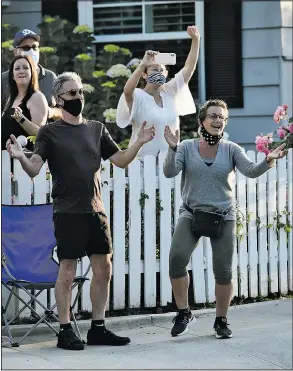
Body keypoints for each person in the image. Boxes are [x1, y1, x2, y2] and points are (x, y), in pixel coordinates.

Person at [6, 71, 155, 351]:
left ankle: (98, 328)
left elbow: (121, 160)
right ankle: (65, 330)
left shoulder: (96, 129)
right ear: (58, 99)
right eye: (72, 93)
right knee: (68, 270)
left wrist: (139, 141)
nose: (79, 97)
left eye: (81, 92)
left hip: (95, 211)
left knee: (104, 268)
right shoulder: (50, 131)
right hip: (68, 212)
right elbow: (35, 167)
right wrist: (19, 158)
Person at [163, 99, 287, 339]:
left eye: (221, 117)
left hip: (223, 215)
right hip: (191, 212)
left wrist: (268, 159)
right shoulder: (187, 147)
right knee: (176, 259)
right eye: (212, 116)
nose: (217, 120)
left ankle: (221, 320)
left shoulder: (232, 149)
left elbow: (251, 171)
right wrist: (172, 148)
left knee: (223, 270)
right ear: (202, 120)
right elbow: (170, 172)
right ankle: (183, 312)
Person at [116, 25, 200, 160]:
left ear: (166, 73)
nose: (159, 73)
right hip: (142, 163)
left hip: (170, 163)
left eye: (161, 70)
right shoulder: (138, 96)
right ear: (144, 75)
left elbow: (189, 68)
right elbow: (127, 91)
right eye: (154, 70)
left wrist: (196, 40)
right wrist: (143, 64)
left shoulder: (169, 92)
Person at [2, 29, 61, 121]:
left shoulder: (51, 77)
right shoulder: (4, 79)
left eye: (34, 47)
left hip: (44, 134)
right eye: (26, 48)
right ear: (15, 52)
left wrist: (50, 111)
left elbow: (64, 111)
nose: (31, 51)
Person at [1, 55, 48, 151]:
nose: (21, 71)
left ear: (32, 72)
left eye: (25, 68)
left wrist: (21, 119)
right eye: (17, 68)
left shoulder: (37, 97)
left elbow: (40, 133)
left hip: (25, 160)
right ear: (13, 76)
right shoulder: (10, 99)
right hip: (5, 159)